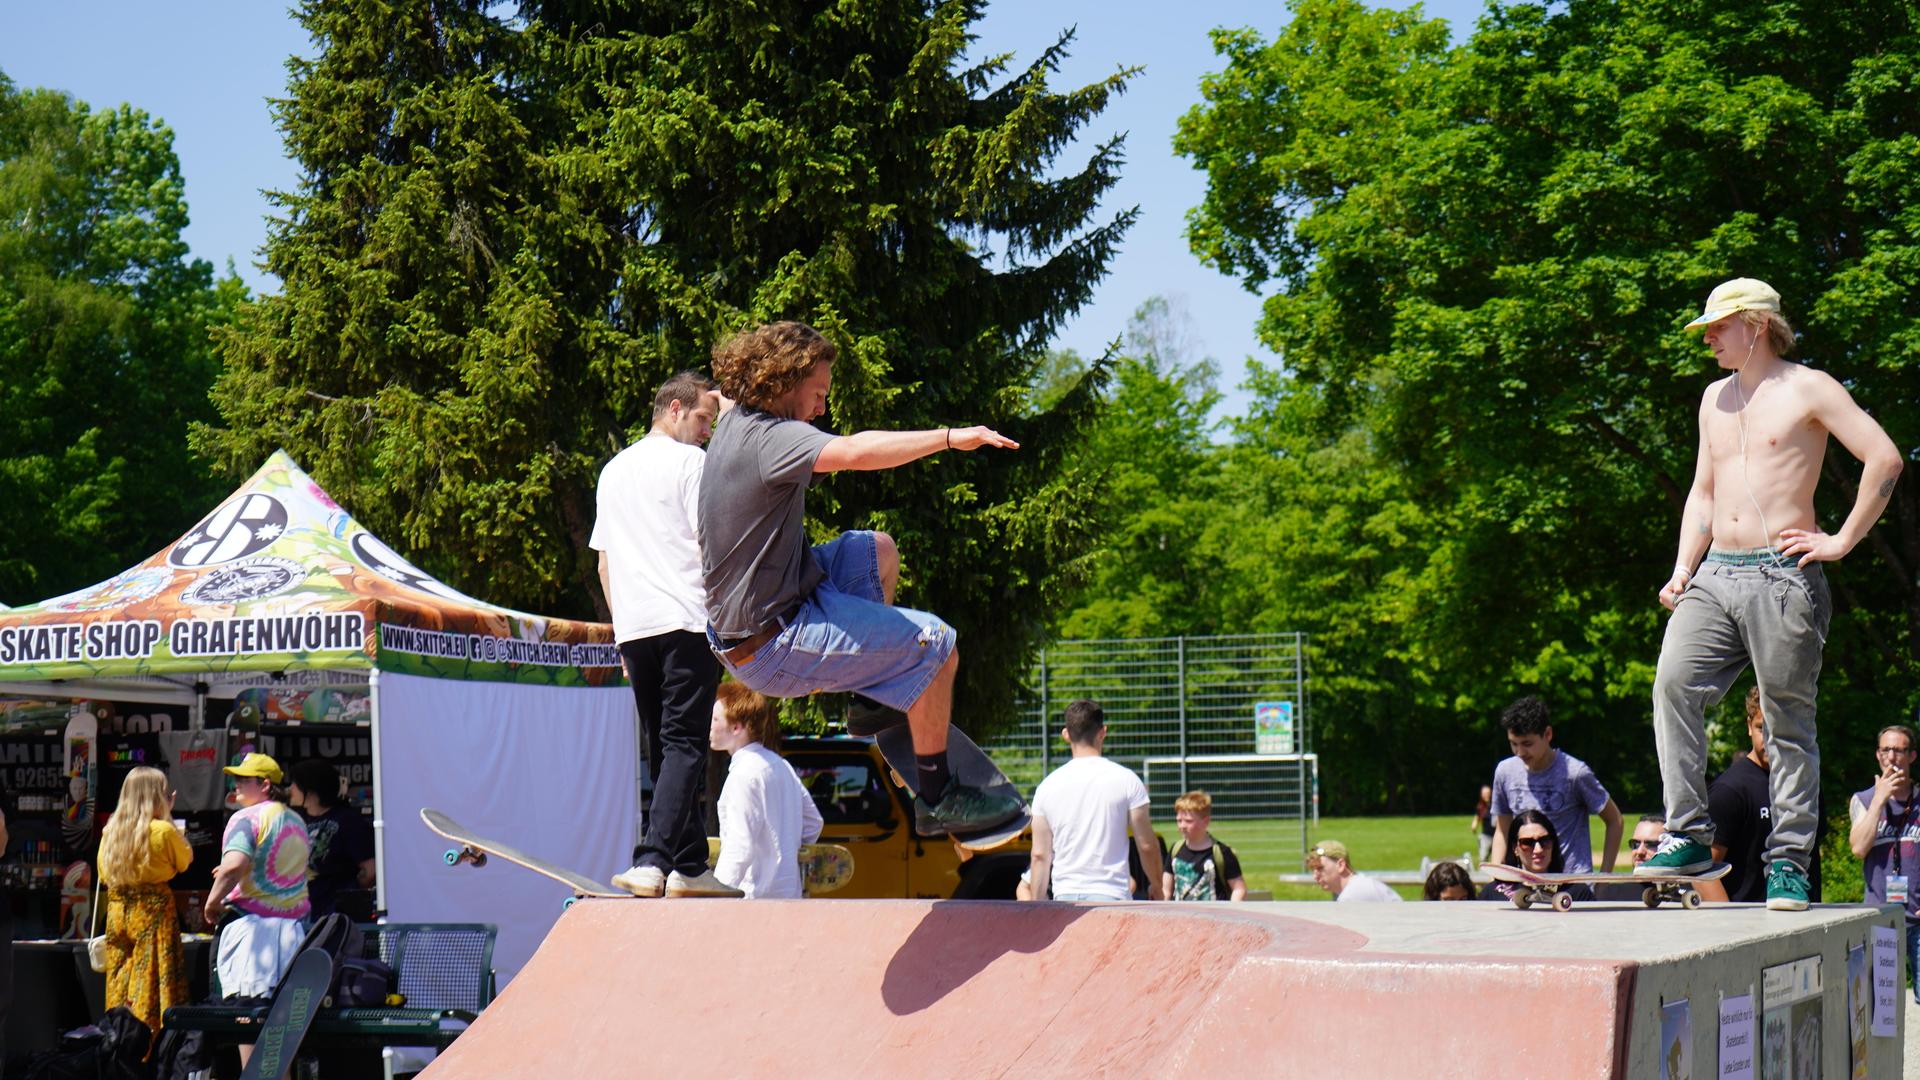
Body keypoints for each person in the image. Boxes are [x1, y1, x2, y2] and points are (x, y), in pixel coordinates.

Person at [699, 322, 1021, 836]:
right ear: (785, 381)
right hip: (772, 644)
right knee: (936, 645)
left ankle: (873, 700)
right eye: (819, 393)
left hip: (767, 610)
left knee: (876, 551)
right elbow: (853, 452)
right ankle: (938, 799)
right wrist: (948, 438)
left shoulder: (738, 416)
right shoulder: (772, 439)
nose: (822, 408)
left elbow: (718, 399)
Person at [1645, 278, 1903, 913]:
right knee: (1674, 684)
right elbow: (1703, 493)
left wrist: (1840, 540)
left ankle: (1787, 862)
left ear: (1755, 325)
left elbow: (1885, 458)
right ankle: (1689, 834)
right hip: (1715, 575)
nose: (1707, 338)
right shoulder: (1713, 399)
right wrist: (1683, 567)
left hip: (1781, 576)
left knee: (1787, 724)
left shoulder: (1807, 388)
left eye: (1717, 327)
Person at [595, 371, 737, 899]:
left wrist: (620, 634)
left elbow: (605, 564)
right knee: (683, 744)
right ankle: (653, 860)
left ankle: (691, 864)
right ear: (674, 408)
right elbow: (714, 546)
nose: (707, 431)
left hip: (635, 626)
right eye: (703, 419)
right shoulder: (693, 464)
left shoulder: (613, 471)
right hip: (686, 620)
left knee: (665, 745)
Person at [204, 754, 310, 1072]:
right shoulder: (296, 820)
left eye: (243, 779)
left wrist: (213, 901)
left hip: (252, 941)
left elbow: (235, 865)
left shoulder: (245, 818)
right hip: (294, 936)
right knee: (281, 1032)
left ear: (265, 785)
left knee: (248, 1026)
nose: (235, 784)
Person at [1026, 700, 1163, 902]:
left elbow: (1039, 855)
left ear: (1066, 734)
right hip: (1112, 895)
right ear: (1103, 732)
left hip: (1066, 897)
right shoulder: (1127, 780)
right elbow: (1147, 845)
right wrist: (1158, 886)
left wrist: (1038, 905)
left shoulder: (1046, 787)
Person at [98, 766, 193, 1042]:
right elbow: (185, 861)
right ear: (158, 796)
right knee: (152, 981)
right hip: (152, 913)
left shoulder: (109, 832)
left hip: (118, 912)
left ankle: (118, 1041)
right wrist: (170, 817)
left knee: (120, 981)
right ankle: (151, 1045)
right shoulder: (162, 830)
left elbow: (104, 874)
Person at [1488, 696, 1623, 873]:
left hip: (1571, 884)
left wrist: (1604, 879)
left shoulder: (1575, 773)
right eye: (1514, 744)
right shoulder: (1505, 771)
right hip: (1526, 884)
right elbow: (1502, 831)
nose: (1519, 752)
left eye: (1527, 744)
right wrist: (1496, 877)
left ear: (1548, 734)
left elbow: (1615, 820)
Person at [710, 683, 819, 899]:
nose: (710, 726)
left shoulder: (743, 775)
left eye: (715, 719)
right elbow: (813, 822)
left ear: (736, 728)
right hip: (789, 895)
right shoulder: (781, 765)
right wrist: (785, 850)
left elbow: (739, 848)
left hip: (753, 900)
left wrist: (716, 899)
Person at [1849, 723, 1920, 1001]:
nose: (1892, 757)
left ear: (1912, 756)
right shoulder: (1864, 800)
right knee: (1882, 1007)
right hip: (1879, 921)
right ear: (1878, 755)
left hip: (1917, 920)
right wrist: (1880, 799)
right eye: (1886, 750)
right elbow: (1858, 847)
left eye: (1899, 750)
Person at [287, 760, 374, 919]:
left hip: (334, 918)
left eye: (295, 784)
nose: (290, 788)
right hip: (300, 914)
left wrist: (345, 894)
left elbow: (370, 870)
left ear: (311, 789)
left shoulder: (347, 821)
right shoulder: (296, 821)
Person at [1477, 809, 1593, 903]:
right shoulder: (1493, 893)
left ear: (1553, 844)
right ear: (1515, 848)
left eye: (1545, 841)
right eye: (1527, 843)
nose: (1538, 849)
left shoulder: (1577, 893)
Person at [1163, 791, 1247, 902]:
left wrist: (1230, 910)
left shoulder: (1222, 853)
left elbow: (1239, 889)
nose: (1182, 826)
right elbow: (1166, 890)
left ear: (1206, 822)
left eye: (1188, 821)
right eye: (1179, 821)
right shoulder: (1175, 850)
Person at [1591, 814, 1668, 900]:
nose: (1639, 851)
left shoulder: (1681, 897)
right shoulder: (1612, 895)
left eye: (1651, 845)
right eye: (1636, 844)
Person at [1308, 840, 1401, 902]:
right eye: (1313, 870)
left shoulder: (1351, 896)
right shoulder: (1356, 884)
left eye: (1320, 868)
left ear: (1341, 865)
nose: (1315, 876)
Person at [1472, 784, 1495, 864]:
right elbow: (1477, 817)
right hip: (1485, 836)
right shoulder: (1480, 807)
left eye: (1488, 793)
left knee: (1496, 859)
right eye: (1484, 794)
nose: (1486, 795)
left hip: (1496, 836)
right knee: (1483, 857)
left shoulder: (1495, 805)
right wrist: (1474, 826)